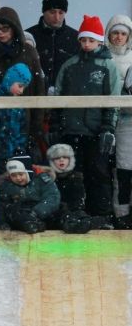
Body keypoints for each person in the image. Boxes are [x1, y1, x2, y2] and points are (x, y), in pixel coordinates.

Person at [53, 15, 122, 221]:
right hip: (71, 130)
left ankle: (101, 215)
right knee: (71, 174)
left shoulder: (108, 66)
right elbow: (58, 96)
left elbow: (113, 99)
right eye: (83, 40)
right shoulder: (69, 65)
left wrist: (108, 127)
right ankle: (73, 212)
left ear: (99, 41)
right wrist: (57, 124)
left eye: (91, 40)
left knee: (99, 174)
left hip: (97, 130)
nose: (86, 44)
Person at [0, 7, 46, 168]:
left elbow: (39, 89)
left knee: (21, 172)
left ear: (14, 29)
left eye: (5, 28)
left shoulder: (28, 52)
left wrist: (37, 126)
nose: (0, 33)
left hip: (23, 123)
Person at [105, 15, 132, 224]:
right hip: (103, 119)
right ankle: (114, 213)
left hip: (127, 120)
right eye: (115, 32)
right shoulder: (101, 56)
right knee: (104, 170)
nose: (119, 37)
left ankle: (123, 213)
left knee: (124, 168)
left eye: (123, 33)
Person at [26, 0, 79, 91]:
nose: (57, 17)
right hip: (34, 96)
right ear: (44, 11)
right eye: (52, 12)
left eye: (61, 12)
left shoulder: (76, 38)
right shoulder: (28, 37)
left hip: (66, 97)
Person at [0, 159, 59, 233]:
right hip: (18, 218)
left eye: (21, 174)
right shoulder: (6, 186)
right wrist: (1, 223)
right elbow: (0, 205)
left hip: (42, 215)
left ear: (27, 172)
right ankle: (29, 224)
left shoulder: (41, 180)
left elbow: (52, 197)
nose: (18, 178)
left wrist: (35, 212)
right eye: (14, 175)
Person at [0, 63, 32, 175]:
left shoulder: (18, 106)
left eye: (24, 87)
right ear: (10, 81)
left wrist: (20, 148)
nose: (22, 91)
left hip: (12, 154)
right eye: (20, 86)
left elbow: (22, 130)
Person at [46, 144, 92, 233]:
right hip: (54, 215)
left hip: (73, 213)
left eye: (65, 157)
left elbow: (79, 202)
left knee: (82, 217)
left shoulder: (76, 178)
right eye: (57, 158)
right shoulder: (47, 179)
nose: (61, 160)